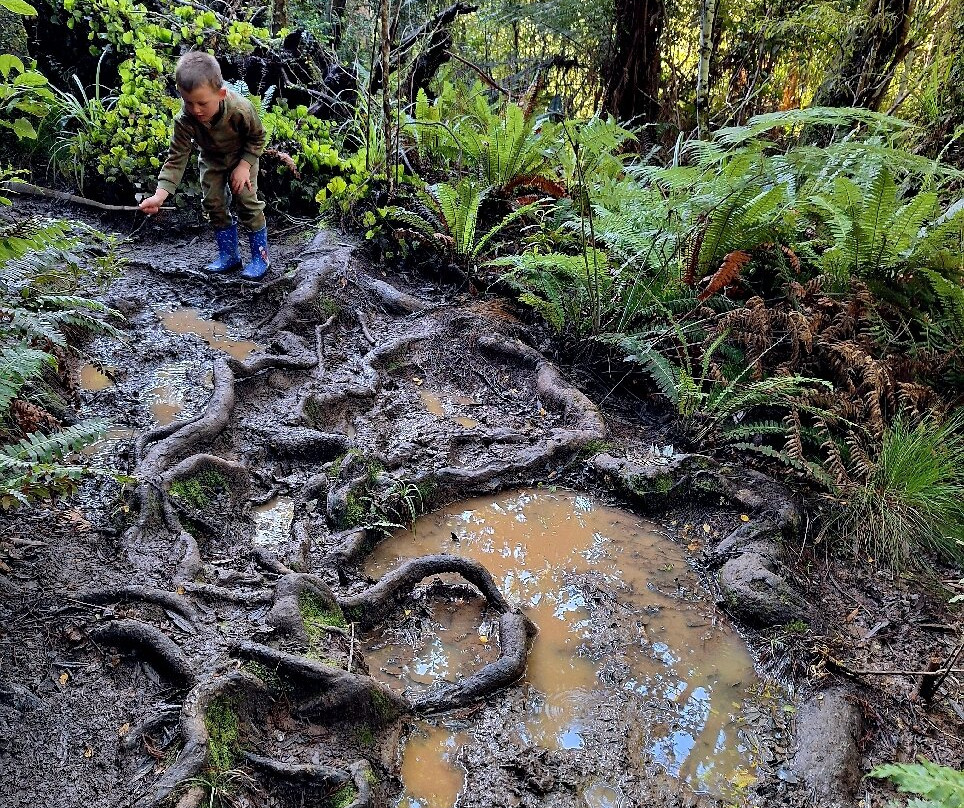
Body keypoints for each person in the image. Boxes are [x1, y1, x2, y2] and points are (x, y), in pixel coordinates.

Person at [139, 51, 270, 279]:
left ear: (220, 94)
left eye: (202, 103)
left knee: (247, 201)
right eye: (188, 102)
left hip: (243, 157)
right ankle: (229, 255)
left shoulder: (240, 109)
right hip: (212, 159)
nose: (196, 110)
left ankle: (261, 257)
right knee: (213, 202)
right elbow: (176, 158)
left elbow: (257, 138)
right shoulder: (184, 120)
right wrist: (160, 196)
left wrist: (244, 166)